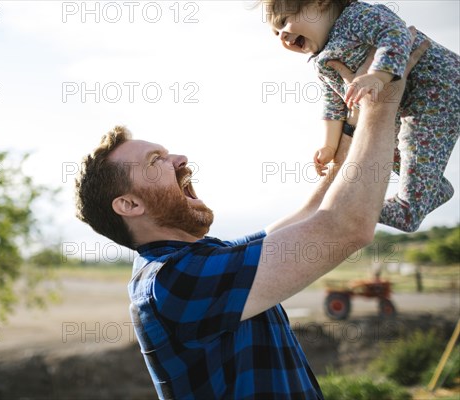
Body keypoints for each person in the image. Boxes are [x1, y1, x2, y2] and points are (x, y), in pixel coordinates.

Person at [74, 38, 429, 400]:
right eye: (156, 161)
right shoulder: (173, 282)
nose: (180, 158)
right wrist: (383, 100)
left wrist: (351, 121)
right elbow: (344, 227)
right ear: (130, 205)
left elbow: (309, 216)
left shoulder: (204, 259)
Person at [263, 0, 459, 232]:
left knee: (412, 141)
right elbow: (335, 102)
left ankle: (407, 209)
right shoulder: (322, 59)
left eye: (285, 21)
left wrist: (378, 75)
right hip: (409, 101)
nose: (282, 36)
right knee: (383, 146)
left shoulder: (355, 16)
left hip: (436, 85)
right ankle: (431, 188)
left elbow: (395, 33)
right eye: (276, 33)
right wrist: (329, 145)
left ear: (321, 3)